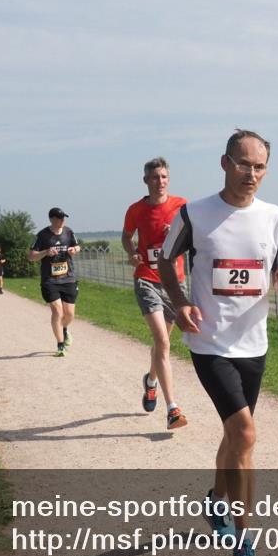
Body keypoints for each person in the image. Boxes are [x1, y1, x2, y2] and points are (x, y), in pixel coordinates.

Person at [159, 129, 278, 556]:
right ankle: (244, 544)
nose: (250, 174)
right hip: (209, 343)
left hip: (253, 344)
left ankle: (216, 499)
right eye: (243, 164)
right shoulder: (195, 214)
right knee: (245, 432)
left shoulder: (275, 217)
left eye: (259, 167)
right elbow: (164, 261)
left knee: (234, 438)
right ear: (224, 163)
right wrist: (179, 303)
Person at [121, 157, 189, 430]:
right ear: (146, 180)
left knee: (162, 345)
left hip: (173, 282)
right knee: (162, 341)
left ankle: (151, 382)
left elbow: (195, 238)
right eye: (154, 177)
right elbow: (126, 237)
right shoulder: (136, 210)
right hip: (147, 279)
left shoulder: (182, 206)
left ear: (168, 179)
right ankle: (173, 409)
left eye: (163, 177)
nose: (159, 182)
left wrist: (177, 236)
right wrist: (133, 252)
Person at [29, 208, 80, 357]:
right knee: (58, 311)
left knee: (69, 314)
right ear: (51, 219)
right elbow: (31, 256)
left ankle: (64, 329)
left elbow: (77, 246)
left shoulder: (69, 232)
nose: (63, 220)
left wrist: (74, 249)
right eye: (59, 218)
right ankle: (60, 345)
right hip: (50, 280)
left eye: (64, 217)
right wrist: (45, 252)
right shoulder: (42, 235)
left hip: (68, 278)